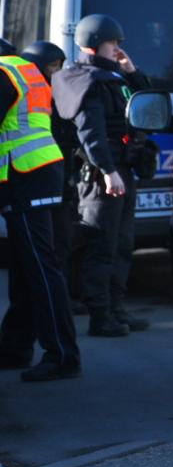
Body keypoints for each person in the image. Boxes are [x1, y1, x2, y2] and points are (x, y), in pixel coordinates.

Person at [51, 15, 150, 337]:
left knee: (122, 244)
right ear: (95, 43)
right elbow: (91, 133)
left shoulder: (111, 76)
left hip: (120, 170)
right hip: (101, 176)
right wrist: (108, 172)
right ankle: (100, 315)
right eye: (113, 43)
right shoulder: (85, 81)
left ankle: (116, 309)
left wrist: (132, 71)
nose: (118, 49)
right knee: (102, 245)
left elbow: (144, 102)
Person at [0, 37, 81, 381]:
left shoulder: (4, 74)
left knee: (41, 267)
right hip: (42, 172)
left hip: (24, 176)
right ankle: (16, 347)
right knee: (25, 265)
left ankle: (62, 355)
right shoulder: (22, 69)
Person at [20, 42, 78, 288]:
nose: (57, 72)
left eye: (60, 66)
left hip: (62, 180)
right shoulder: (27, 98)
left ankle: (64, 292)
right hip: (38, 184)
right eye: (53, 66)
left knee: (64, 242)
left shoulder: (59, 95)